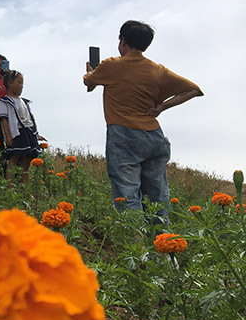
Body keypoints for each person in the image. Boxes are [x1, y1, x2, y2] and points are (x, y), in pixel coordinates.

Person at [83, 20, 203, 219]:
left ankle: (137, 247)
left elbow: (89, 82)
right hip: (154, 136)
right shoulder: (157, 70)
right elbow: (193, 90)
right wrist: (162, 107)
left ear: (123, 41)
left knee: (127, 194)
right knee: (157, 197)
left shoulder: (111, 65)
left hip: (123, 135)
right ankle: (161, 245)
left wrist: (90, 70)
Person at [0, 70, 42, 184]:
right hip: (17, 132)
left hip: (28, 132)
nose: (21, 86)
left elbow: (29, 119)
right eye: (19, 82)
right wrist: (7, 135)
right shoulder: (4, 102)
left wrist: (36, 134)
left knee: (26, 162)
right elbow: (4, 120)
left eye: (22, 83)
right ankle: (11, 188)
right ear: (9, 83)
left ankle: (24, 189)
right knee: (14, 160)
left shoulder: (24, 101)